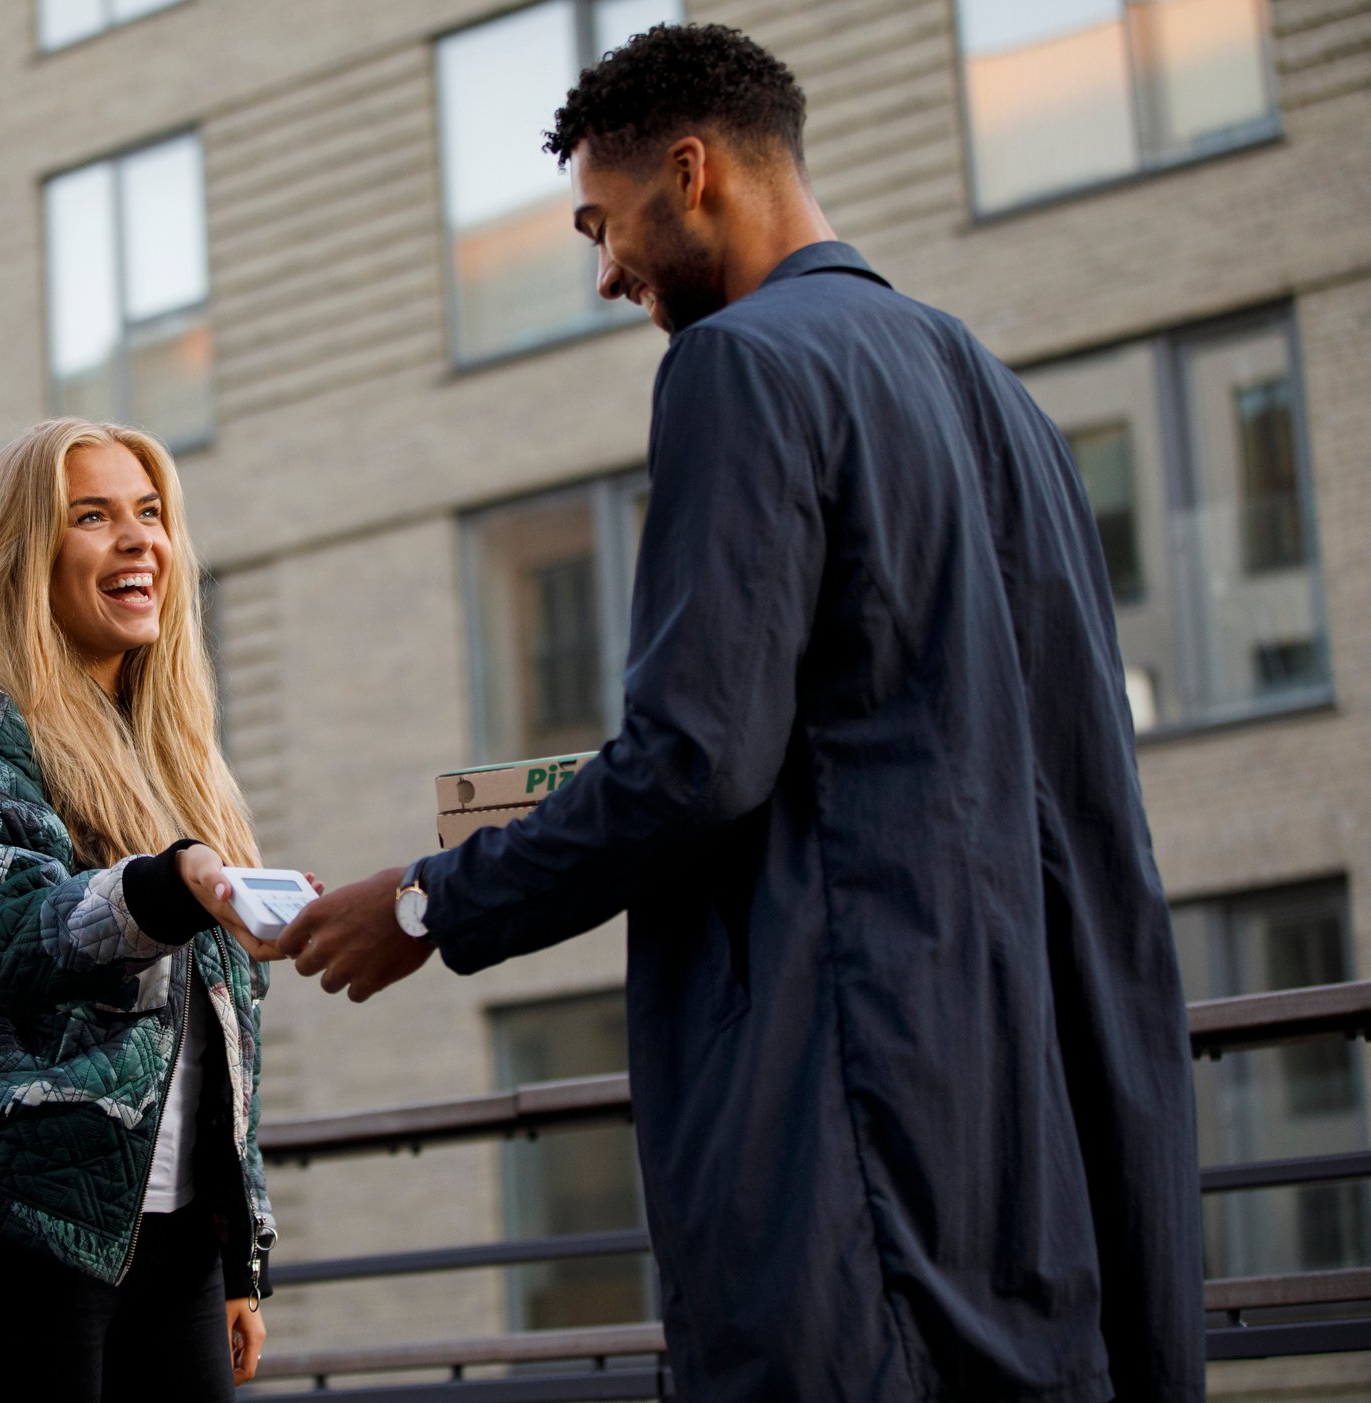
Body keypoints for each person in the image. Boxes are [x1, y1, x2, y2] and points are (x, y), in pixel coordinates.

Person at [280, 24, 1202, 1403]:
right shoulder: (998, 395)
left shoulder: (739, 367)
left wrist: (426, 902)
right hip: (1037, 1137)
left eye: (604, 222)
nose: (606, 273)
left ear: (691, 171)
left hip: (845, 1117)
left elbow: (695, 756)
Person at [0, 418, 299, 1400]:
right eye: (92, 516)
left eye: (151, 514)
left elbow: (223, 1035)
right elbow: (0, 933)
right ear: (28, 554)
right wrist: (165, 882)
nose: (138, 538)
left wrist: (236, 1257)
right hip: (13, 1219)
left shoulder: (178, 764)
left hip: (173, 1234)